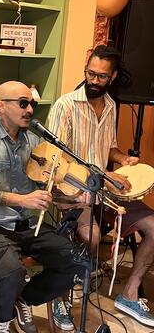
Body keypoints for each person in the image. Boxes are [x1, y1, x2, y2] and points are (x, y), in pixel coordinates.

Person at [0, 80, 85, 333]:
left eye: (32, 104)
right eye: (23, 103)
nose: (30, 110)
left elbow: (49, 188)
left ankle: (23, 299)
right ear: (1, 105)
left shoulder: (35, 142)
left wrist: (76, 198)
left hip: (24, 224)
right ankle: (2, 321)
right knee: (10, 271)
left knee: (77, 261)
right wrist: (22, 200)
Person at [47, 45, 154, 329]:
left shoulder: (110, 106)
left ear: (113, 76)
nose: (94, 80)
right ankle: (59, 295)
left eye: (101, 76)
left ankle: (129, 294)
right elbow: (55, 160)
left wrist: (122, 160)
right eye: (90, 73)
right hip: (72, 187)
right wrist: (103, 174)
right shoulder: (65, 106)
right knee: (91, 235)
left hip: (103, 188)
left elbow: (109, 149)